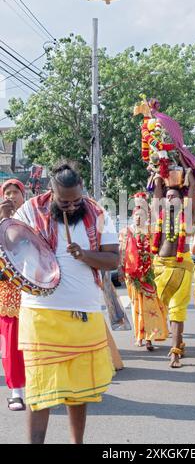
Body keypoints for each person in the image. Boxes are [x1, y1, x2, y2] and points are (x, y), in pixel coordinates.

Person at [0, 163, 119, 444]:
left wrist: (85, 255)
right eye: (64, 201)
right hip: (40, 312)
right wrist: (6, 222)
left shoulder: (99, 214)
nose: (71, 206)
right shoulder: (29, 209)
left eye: (76, 200)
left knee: (80, 391)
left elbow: (114, 260)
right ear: (52, 192)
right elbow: (13, 246)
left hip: (84, 311)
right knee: (39, 391)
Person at [152, 185, 195, 368]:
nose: (169, 199)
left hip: (181, 267)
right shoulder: (157, 215)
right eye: (167, 196)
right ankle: (180, 340)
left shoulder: (188, 216)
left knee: (177, 311)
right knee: (171, 310)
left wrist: (188, 172)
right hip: (161, 267)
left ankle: (174, 353)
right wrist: (158, 169)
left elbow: (192, 189)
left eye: (174, 196)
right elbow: (157, 193)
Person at [120, 205, 168, 351]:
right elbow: (122, 252)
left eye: (142, 215)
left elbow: (158, 250)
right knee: (137, 307)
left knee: (150, 307)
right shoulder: (125, 232)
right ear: (133, 216)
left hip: (149, 274)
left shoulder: (151, 232)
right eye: (136, 215)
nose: (139, 217)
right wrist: (121, 270)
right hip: (133, 275)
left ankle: (149, 338)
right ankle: (139, 336)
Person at [0, 179, 26, 411]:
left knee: (34, 344)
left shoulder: (33, 220)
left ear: (23, 195)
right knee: (10, 346)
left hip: (32, 293)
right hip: (7, 295)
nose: (10, 196)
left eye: (15, 192)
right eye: (6, 192)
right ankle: (16, 392)